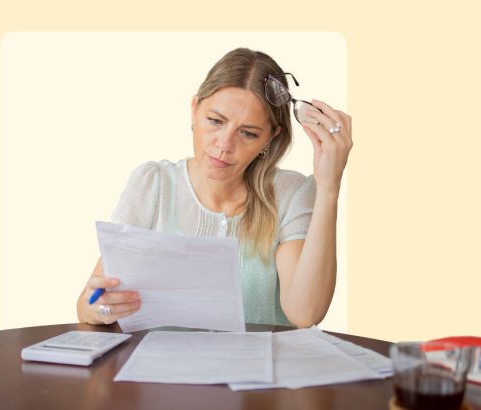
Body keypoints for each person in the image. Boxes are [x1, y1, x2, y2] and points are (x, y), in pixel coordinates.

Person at [76, 47, 352, 328]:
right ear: (194, 110)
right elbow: (88, 305)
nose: (224, 144)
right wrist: (98, 308)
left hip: (256, 358)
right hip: (161, 357)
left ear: (270, 137)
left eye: (248, 133)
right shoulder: (153, 185)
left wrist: (329, 186)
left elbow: (305, 313)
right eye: (215, 121)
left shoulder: (290, 194)